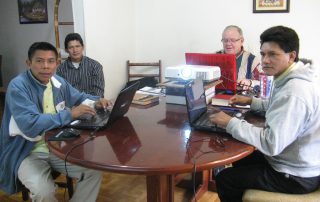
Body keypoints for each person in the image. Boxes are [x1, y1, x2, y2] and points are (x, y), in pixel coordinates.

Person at [210, 25, 320, 202]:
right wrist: (252, 102)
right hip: (294, 161)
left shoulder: (294, 92)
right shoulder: (291, 77)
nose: (265, 60)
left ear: (291, 56)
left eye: (273, 54)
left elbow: (271, 144)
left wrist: (229, 123)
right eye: (263, 54)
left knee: (225, 179)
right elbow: (277, 105)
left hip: (295, 176)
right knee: (241, 156)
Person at [0, 42, 112, 202]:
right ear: (28, 63)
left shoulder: (58, 82)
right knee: (43, 191)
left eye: (51, 61)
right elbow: (30, 124)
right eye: (39, 61)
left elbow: (79, 96)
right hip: (26, 151)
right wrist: (70, 114)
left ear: (57, 63)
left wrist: (97, 100)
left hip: (55, 146)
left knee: (92, 172)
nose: (46, 66)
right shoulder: (18, 86)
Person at [57, 33, 105, 97]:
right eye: (71, 47)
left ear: (82, 47)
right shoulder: (61, 69)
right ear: (66, 50)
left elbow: (99, 92)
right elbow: (61, 92)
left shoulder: (95, 66)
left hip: (92, 104)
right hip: (71, 106)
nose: (75, 50)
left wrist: (87, 104)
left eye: (77, 46)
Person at [217, 25, 262, 90]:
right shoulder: (215, 57)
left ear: (242, 41)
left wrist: (250, 82)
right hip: (216, 97)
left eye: (233, 40)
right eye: (225, 40)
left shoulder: (252, 60)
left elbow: (265, 83)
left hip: (241, 98)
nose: (228, 44)